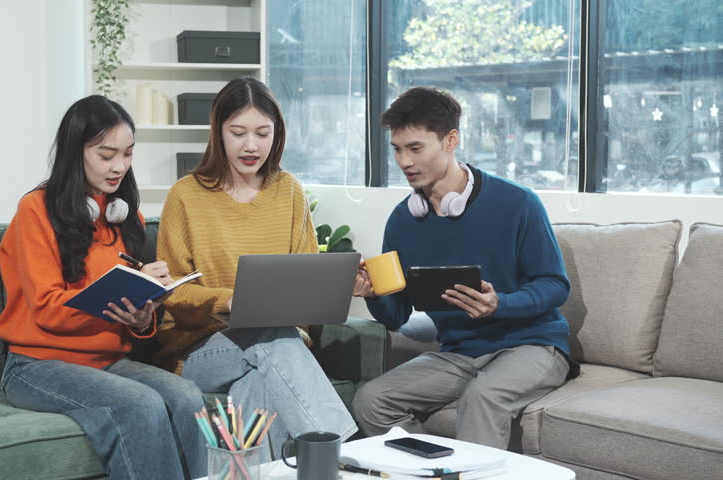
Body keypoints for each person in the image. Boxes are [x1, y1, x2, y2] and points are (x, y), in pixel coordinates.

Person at [352, 87, 577, 449]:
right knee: (371, 399)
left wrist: (500, 303)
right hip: (458, 353)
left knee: (482, 397)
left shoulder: (518, 203)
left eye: (415, 148)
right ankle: (435, 473)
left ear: (450, 139)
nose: (404, 161)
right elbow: (395, 317)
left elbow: (554, 285)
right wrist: (374, 294)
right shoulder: (402, 221)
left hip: (532, 346)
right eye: (396, 149)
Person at [0, 95, 207, 479]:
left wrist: (143, 316)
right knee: (140, 404)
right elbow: (45, 309)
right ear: (76, 152)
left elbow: (131, 322)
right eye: (106, 155)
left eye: (127, 154)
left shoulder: (124, 215)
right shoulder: (35, 210)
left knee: (187, 397)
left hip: (108, 362)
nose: (119, 167)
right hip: (36, 365)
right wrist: (104, 295)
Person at [151, 76, 357, 457]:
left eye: (263, 133)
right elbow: (173, 294)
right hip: (198, 351)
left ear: (276, 134)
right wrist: (230, 302)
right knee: (268, 335)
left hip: (278, 345)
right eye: (238, 132)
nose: (251, 145)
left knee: (258, 385)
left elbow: (307, 282)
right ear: (219, 133)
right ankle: (340, 455)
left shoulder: (289, 190)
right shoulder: (187, 195)